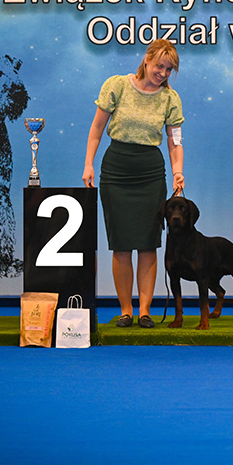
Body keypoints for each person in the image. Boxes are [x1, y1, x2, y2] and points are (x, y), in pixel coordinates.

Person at [83, 39, 185, 329]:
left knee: (148, 244)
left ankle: (144, 311)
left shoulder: (170, 99)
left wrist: (178, 171)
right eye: (159, 66)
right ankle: (126, 310)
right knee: (122, 244)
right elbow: (97, 128)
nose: (163, 73)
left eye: (169, 69)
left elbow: (175, 140)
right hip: (116, 171)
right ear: (146, 59)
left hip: (150, 174)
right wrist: (88, 163)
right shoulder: (116, 85)